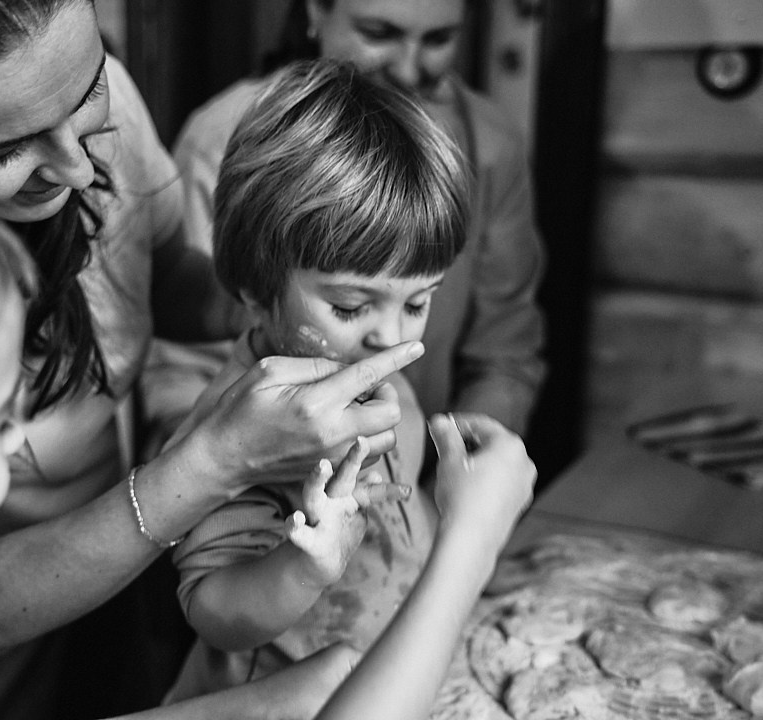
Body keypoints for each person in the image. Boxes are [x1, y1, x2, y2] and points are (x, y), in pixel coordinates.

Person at [0, 2, 419, 717]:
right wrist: (216, 459)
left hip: (124, 564)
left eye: (89, 91)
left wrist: (302, 289)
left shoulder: (61, 95)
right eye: (2, 153)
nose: (75, 166)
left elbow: (168, 279)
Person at [161, 59, 475, 701]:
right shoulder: (243, 430)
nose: (392, 337)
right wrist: (304, 564)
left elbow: (396, 502)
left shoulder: (364, 370)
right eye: (351, 307)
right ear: (255, 289)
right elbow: (214, 611)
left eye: (418, 302)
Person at [169, 0, 547, 440]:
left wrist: (451, 468)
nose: (408, 71)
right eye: (378, 33)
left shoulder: (491, 143)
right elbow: (182, 376)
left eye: (438, 40)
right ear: (315, 11)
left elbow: (505, 351)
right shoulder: (229, 143)